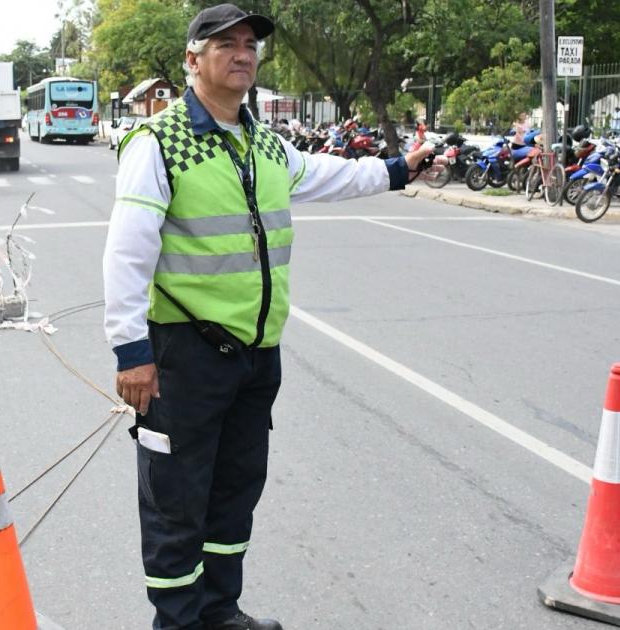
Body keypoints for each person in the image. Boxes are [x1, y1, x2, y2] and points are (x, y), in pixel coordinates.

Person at [102, 4, 436, 630]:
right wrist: (131, 352)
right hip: (184, 355)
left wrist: (395, 169)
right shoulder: (158, 143)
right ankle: (176, 623)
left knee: (234, 494)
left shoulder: (263, 143)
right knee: (177, 503)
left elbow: (327, 176)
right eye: (224, 43)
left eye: (249, 43)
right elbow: (127, 253)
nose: (241, 53)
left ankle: (218, 612)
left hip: (256, 358)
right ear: (191, 59)